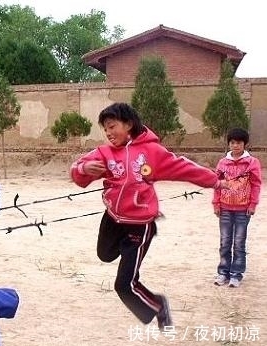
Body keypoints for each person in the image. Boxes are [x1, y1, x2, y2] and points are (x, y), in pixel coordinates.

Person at [70, 102, 229, 330]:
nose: (108, 133)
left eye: (112, 126)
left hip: (139, 225)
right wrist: (83, 170)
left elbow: (182, 167)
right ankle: (128, 252)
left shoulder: (151, 152)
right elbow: (79, 169)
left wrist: (215, 181)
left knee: (124, 285)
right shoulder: (105, 153)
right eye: (105, 129)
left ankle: (158, 306)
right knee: (104, 255)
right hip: (113, 219)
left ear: (129, 124)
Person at [212, 127, 262, 288]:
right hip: (225, 209)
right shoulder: (222, 163)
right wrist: (216, 203)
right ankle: (223, 273)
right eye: (232, 142)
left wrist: (253, 204)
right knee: (225, 242)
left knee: (239, 242)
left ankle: (236, 274)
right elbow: (216, 184)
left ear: (245, 144)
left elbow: (256, 184)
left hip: (243, 209)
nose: (235, 145)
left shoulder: (252, 163)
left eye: (239, 142)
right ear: (229, 144)